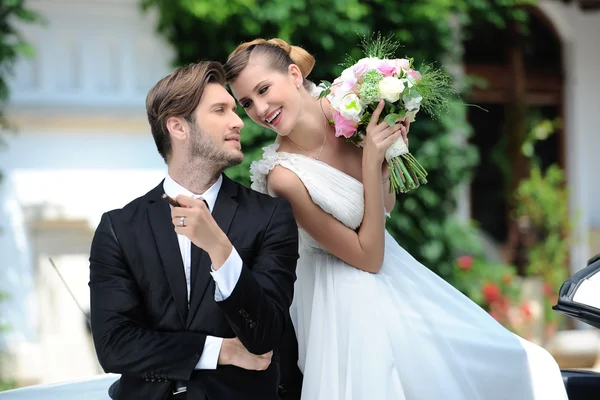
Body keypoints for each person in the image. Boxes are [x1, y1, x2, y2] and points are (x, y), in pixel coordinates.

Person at [224, 39, 569, 400]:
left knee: (526, 364)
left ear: (294, 75)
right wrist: (371, 162)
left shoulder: (350, 107)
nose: (261, 109)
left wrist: (389, 152)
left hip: (396, 270)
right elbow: (367, 258)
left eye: (264, 90)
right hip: (340, 297)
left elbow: (383, 204)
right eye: (247, 102)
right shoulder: (282, 177)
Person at [88, 61, 299, 400]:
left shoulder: (271, 215)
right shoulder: (119, 228)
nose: (237, 121)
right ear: (178, 127)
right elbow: (115, 346)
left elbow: (265, 336)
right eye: (220, 110)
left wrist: (221, 250)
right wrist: (220, 351)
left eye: (234, 109)